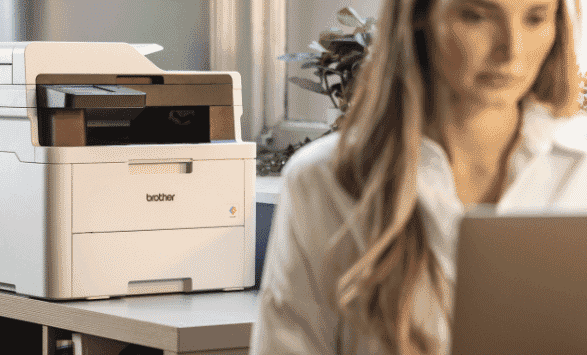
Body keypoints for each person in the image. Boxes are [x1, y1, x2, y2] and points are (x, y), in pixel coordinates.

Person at [251, 0, 586, 353]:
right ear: (420, 17)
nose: (512, 48)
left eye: (536, 18)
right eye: (477, 16)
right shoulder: (324, 180)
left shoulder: (578, 170)